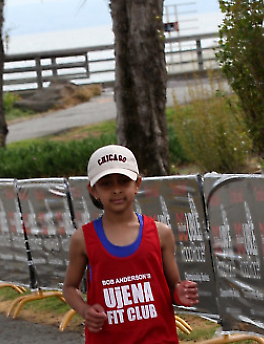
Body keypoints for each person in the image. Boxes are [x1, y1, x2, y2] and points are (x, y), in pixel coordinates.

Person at [63, 144, 199, 344]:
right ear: (93, 190)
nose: (116, 190)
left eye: (124, 181)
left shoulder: (160, 233)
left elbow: (172, 288)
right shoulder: (83, 239)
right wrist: (85, 310)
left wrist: (180, 293)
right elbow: (69, 287)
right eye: (106, 184)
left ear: (137, 184)